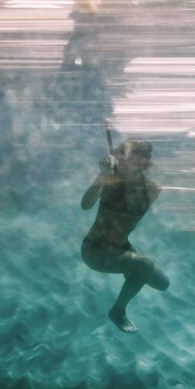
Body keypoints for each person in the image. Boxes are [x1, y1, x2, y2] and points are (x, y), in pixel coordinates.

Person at [80, 134, 170, 333]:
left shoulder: (152, 189)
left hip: (121, 247)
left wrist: (116, 180)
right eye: (128, 157)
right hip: (95, 251)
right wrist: (101, 178)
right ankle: (118, 311)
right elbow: (85, 205)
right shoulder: (110, 181)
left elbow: (130, 207)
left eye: (139, 158)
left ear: (147, 163)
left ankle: (131, 269)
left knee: (162, 283)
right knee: (145, 265)